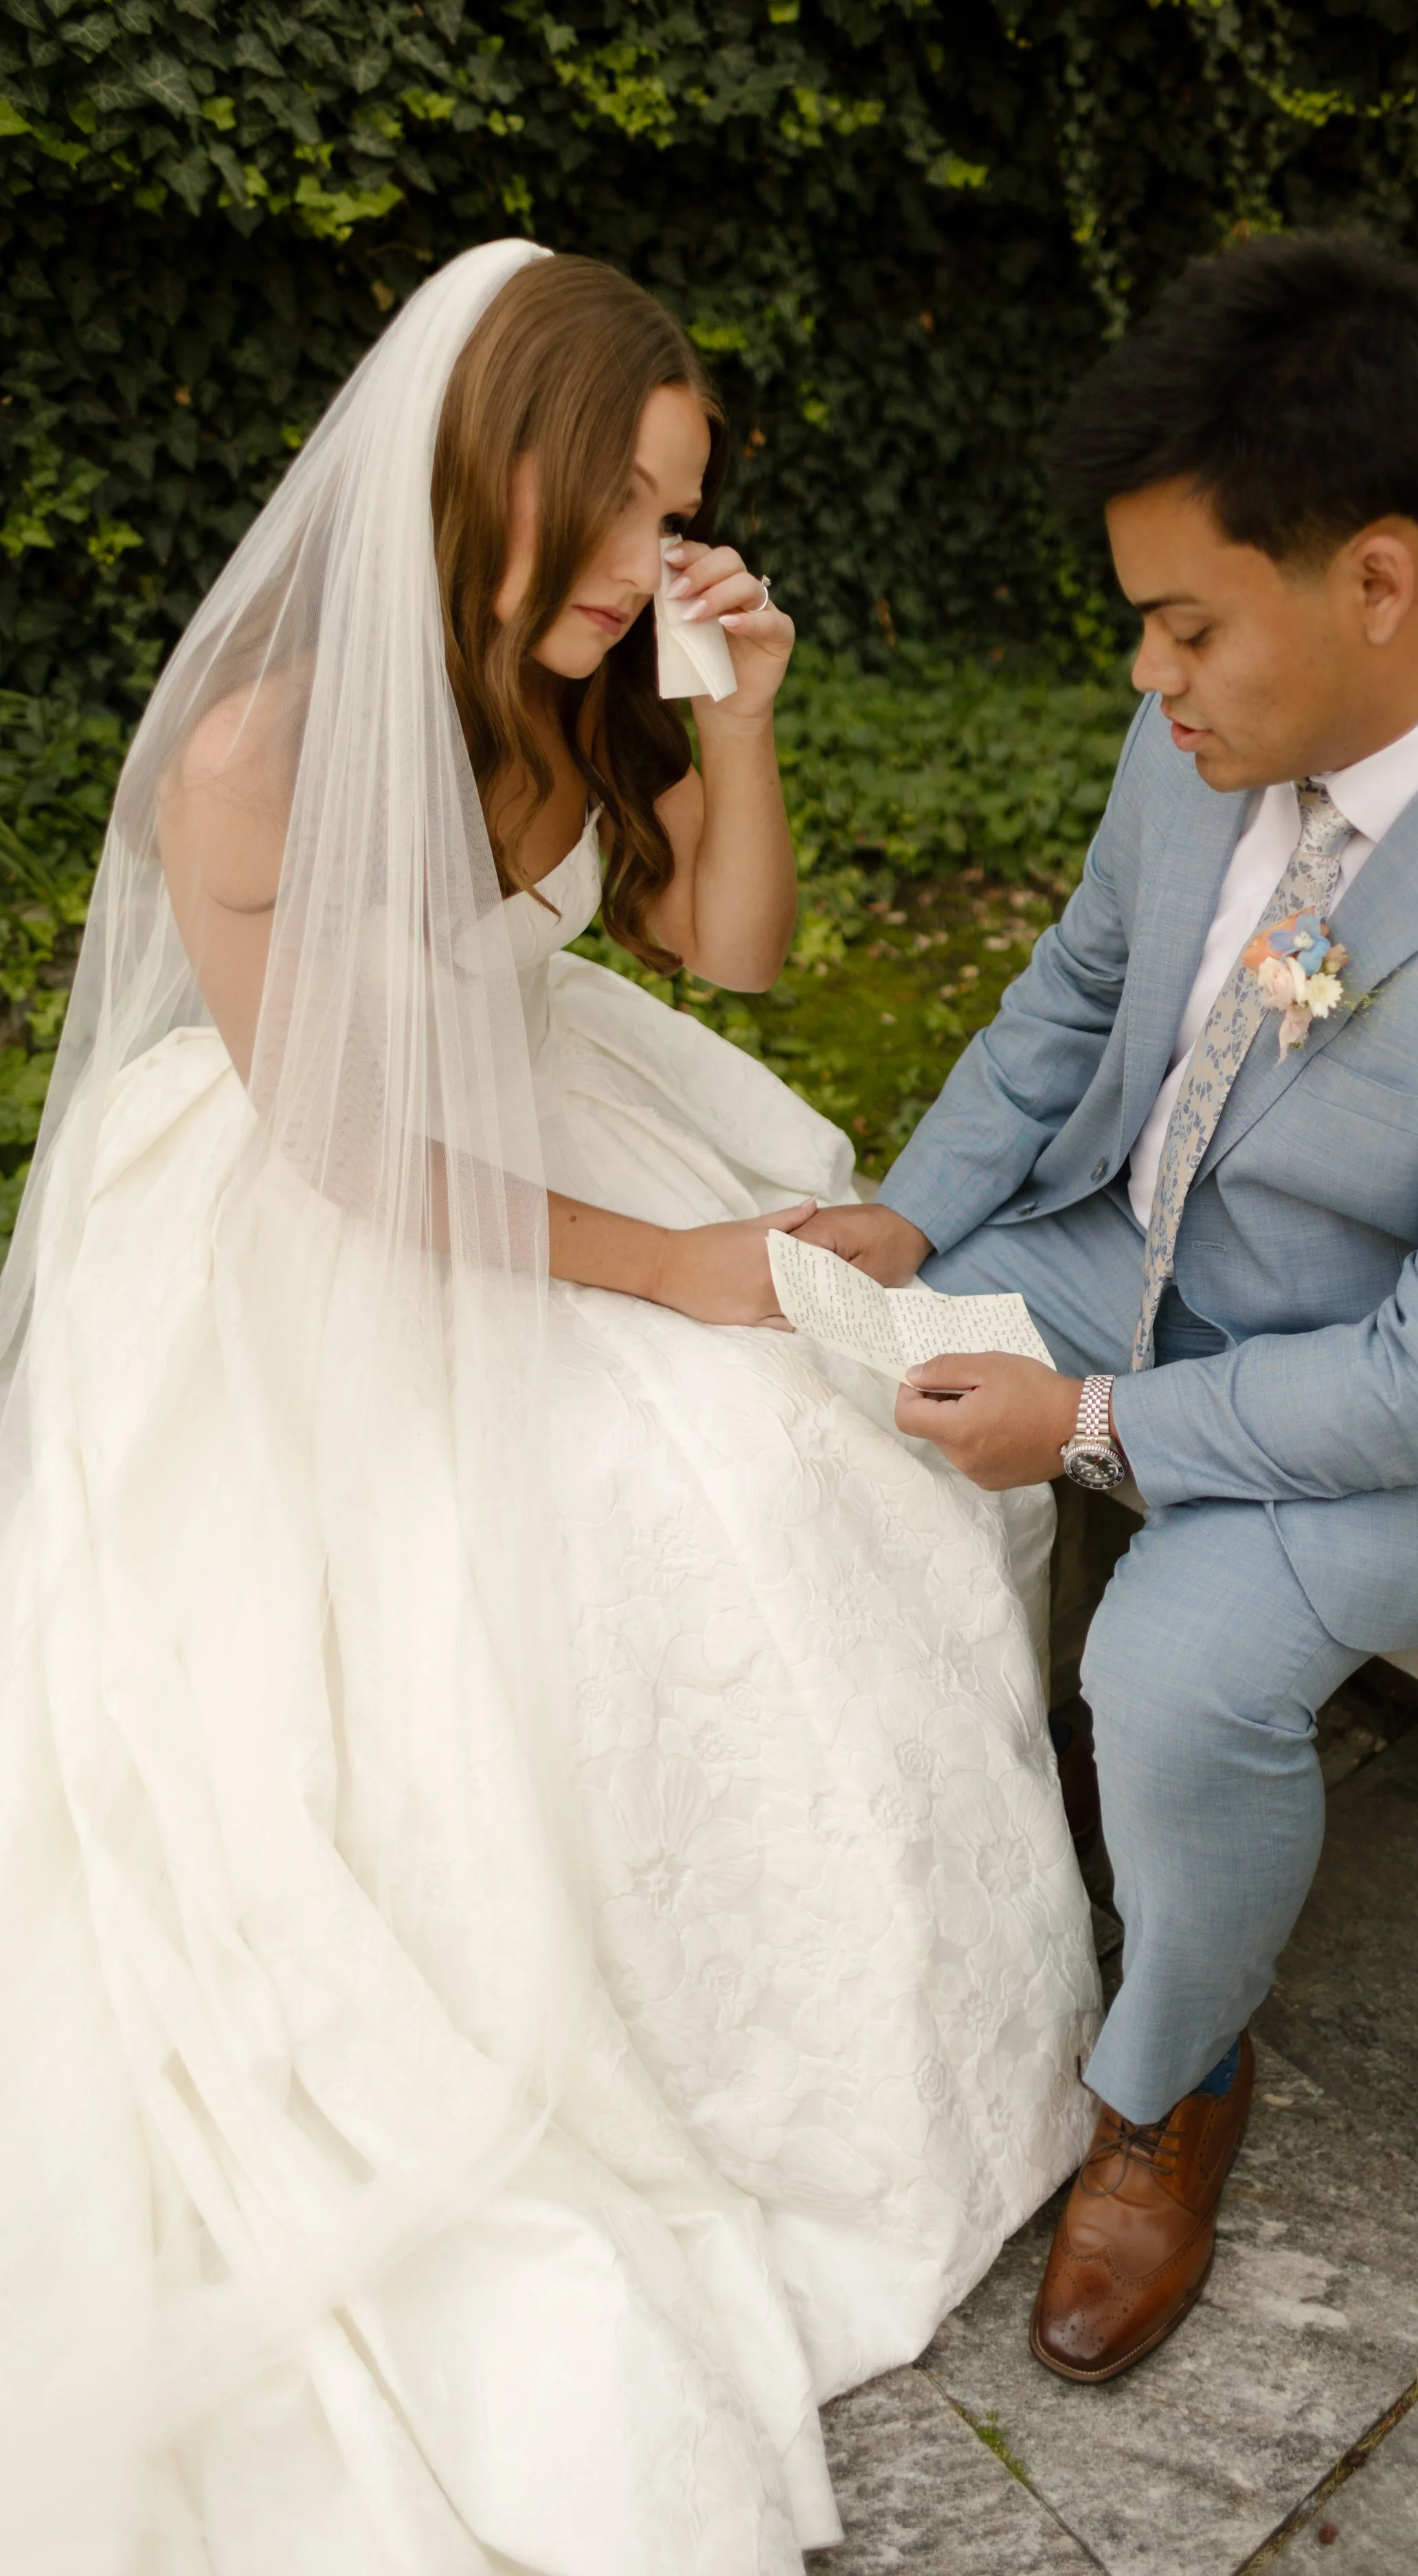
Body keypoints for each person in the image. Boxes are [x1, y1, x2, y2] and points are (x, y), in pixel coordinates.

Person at [0, 240, 1099, 2573]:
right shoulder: (259, 756)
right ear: (486, 457)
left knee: (810, 1447)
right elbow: (349, 1151)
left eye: (673, 506)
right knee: (614, 1504)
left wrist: (740, 716)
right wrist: (674, 1266)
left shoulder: (581, 685)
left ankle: (859, 2038)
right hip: (344, 1200)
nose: (641, 552)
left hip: (550, 1106)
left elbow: (735, 951)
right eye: (608, 497)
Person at [800, 230, 1418, 2383]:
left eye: (1184, 623)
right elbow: (1083, 984)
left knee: (1174, 1674)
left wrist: (1087, 1431)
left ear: (1375, 577)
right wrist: (911, 1220)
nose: (1151, 676)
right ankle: (911, 1831)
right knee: (803, 1381)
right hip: (1131, 1246)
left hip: (1410, 1402)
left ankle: (1171, 2073)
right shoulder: (1218, 717)